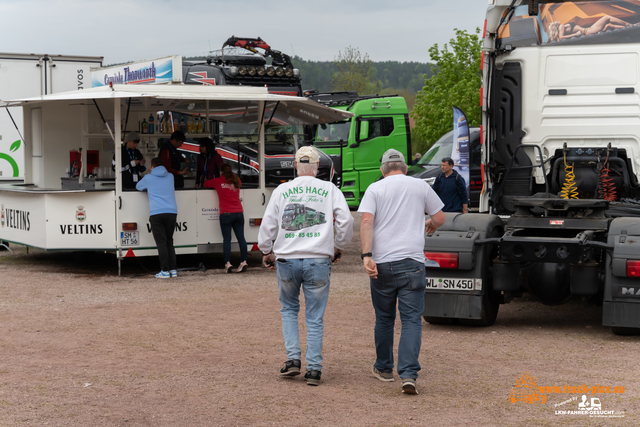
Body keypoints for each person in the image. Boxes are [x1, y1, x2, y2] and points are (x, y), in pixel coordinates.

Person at [258, 146, 353, 387]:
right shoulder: (330, 189)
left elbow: (268, 223)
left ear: (295, 166)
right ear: (318, 167)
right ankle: (313, 369)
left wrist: (266, 250)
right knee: (315, 317)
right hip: (319, 259)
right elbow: (345, 220)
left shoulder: (282, 190)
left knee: (289, 309)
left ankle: (292, 360)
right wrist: (338, 246)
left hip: (287, 259)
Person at [359, 148, 445, 395]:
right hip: (413, 262)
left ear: (382, 170)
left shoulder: (375, 189)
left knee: (384, 318)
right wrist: (429, 223)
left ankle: (384, 368)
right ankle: (408, 374)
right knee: (410, 320)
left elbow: (366, 221)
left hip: (383, 263)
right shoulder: (419, 186)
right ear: (406, 168)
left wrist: (367, 255)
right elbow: (440, 217)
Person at [136, 157, 179, 279]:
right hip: (172, 212)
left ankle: (164, 271)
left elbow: (138, 186)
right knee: (169, 241)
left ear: (152, 167)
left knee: (161, 243)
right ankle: (173, 269)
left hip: (157, 213)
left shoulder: (148, 178)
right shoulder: (170, 176)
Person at [204, 164, 247, 273]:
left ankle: (228, 263)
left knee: (227, 240)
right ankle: (243, 262)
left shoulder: (218, 181)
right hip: (238, 213)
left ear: (221, 171)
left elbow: (205, 183)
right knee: (241, 238)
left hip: (226, 214)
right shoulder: (237, 180)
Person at [548, 16, 631, 42]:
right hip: (589, 30)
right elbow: (561, 37)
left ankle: (628, 27)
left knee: (609, 25)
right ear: (554, 26)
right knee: (607, 18)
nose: (555, 21)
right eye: (554, 22)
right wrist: (575, 34)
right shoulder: (561, 27)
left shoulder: (561, 27)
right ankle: (629, 24)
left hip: (589, 30)